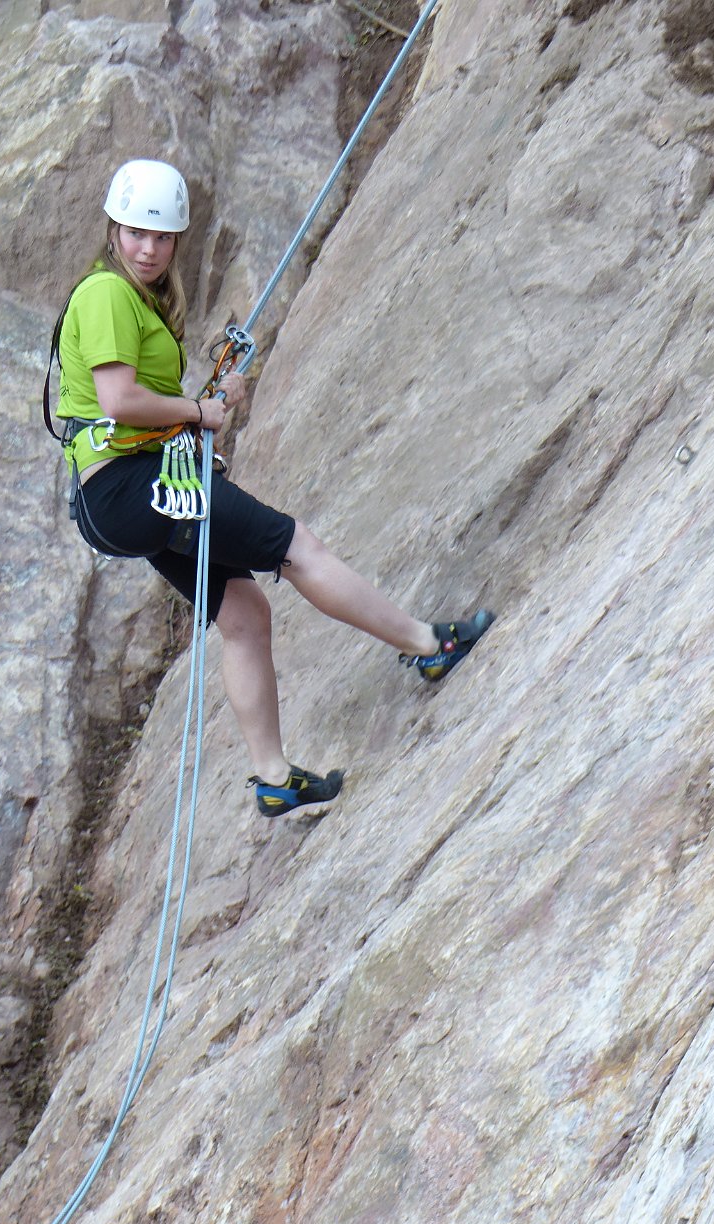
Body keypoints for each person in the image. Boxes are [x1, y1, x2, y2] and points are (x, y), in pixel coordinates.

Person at [53, 159, 494, 817]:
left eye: (160, 237)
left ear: (176, 240)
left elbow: (130, 402)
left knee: (244, 614)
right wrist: (199, 414)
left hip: (119, 495)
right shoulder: (107, 294)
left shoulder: (127, 296)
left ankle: (273, 778)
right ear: (113, 230)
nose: (146, 248)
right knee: (298, 547)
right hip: (131, 485)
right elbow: (118, 401)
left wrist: (205, 399)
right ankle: (429, 646)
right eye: (134, 233)